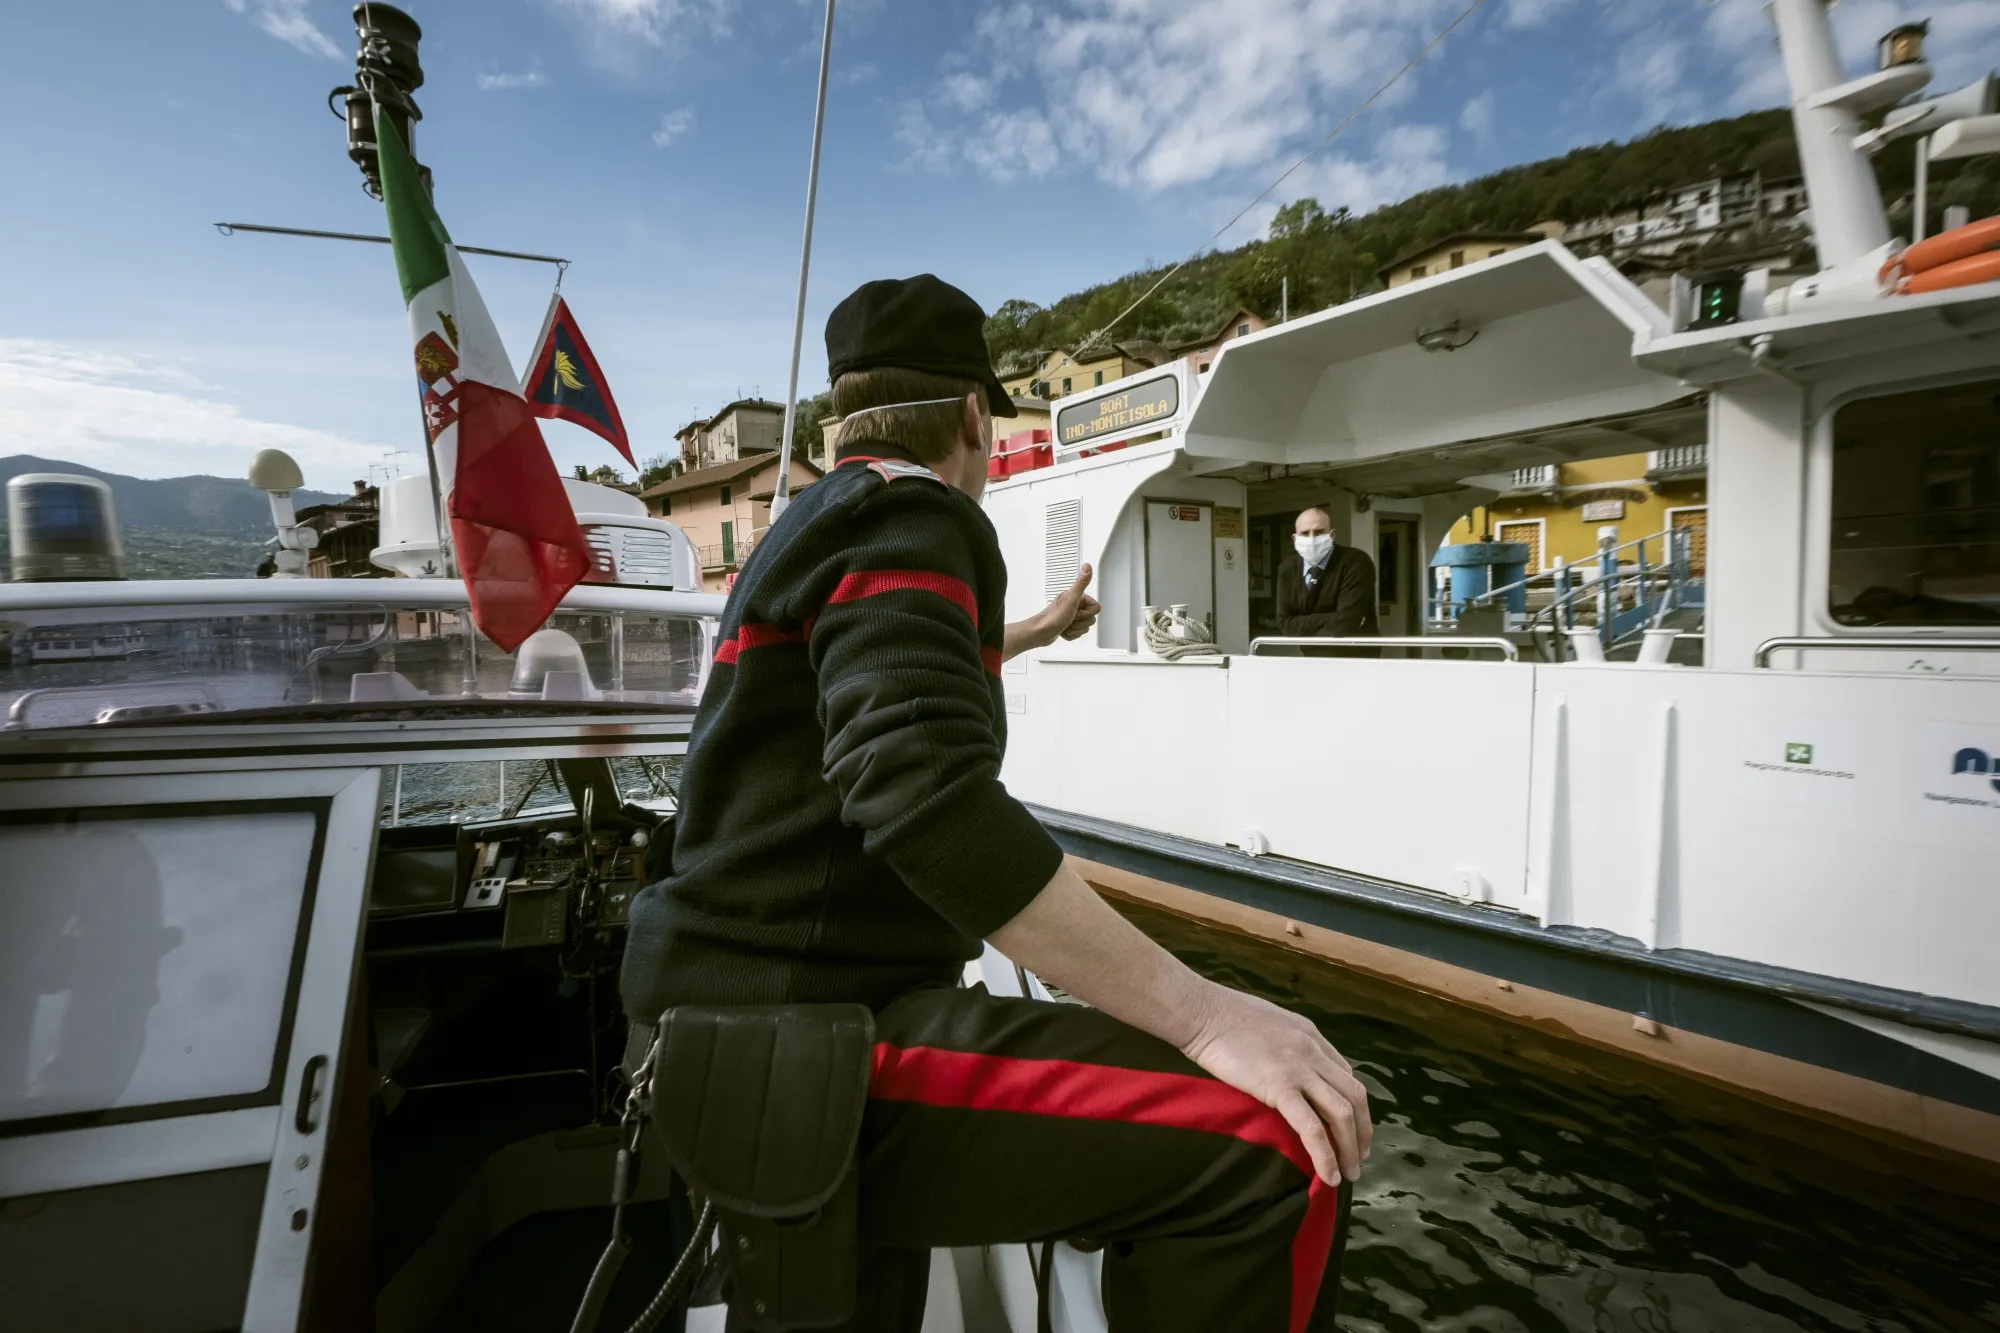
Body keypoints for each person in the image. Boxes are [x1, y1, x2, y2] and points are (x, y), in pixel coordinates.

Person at [621, 274, 1370, 1332]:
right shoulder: (913, 511)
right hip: (814, 1030)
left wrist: (1025, 632)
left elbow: (850, 682)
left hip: (734, 1032)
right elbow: (918, 788)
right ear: (972, 416)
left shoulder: (812, 523)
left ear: (847, 418)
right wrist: (1208, 1016)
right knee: (1277, 1149)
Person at [1275, 507, 1378, 651]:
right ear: (1295, 538)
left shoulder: (1356, 562)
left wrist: (1305, 629)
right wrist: (1332, 617)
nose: (1312, 539)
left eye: (1319, 532)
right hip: (1311, 658)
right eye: (1305, 533)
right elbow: (1286, 624)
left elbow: (1347, 621)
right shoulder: (1287, 568)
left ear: (1332, 535)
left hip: (1356, 658)